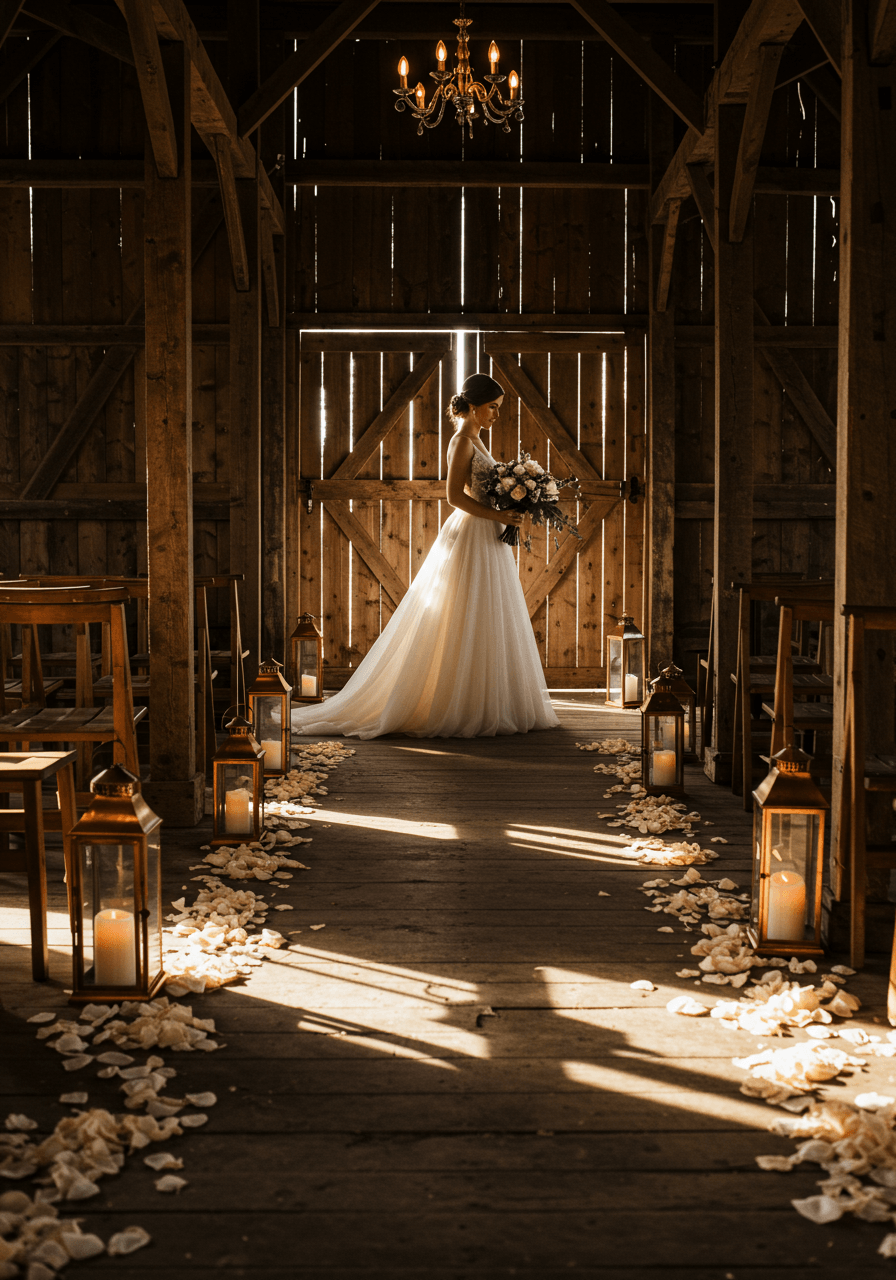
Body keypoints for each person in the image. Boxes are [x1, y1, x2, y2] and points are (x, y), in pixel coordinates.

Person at [290, 372, 560, 740]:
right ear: (474, 406)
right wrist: (499, 514)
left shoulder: (477, 437)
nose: (497, 415)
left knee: (485, 612)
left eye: (498, 409)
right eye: (492, 408)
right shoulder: (463, 439)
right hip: (473, 530)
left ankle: (485, 699)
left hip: (487, 531)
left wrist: (511, 501)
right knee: (463, 610)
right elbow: (454, 497)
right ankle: (456, 703)